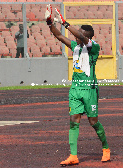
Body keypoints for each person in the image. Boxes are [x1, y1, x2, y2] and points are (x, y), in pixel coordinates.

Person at [45, 4, 110, 166]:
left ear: (87, 36)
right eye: (78, 33)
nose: (77, 36)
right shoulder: (75, 47)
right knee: (74, 120)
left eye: (81, 34)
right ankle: (73, 155)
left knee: (93, 122)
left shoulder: (94, 47)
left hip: (89, 90)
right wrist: (49, 23)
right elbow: (59, 36)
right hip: (75, 89)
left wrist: (65, 22)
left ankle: (106, 148)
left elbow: (77, 35)